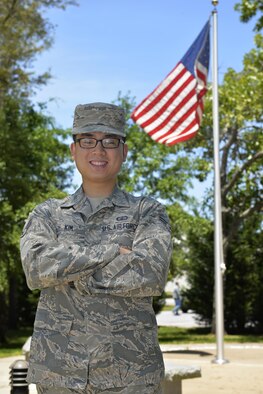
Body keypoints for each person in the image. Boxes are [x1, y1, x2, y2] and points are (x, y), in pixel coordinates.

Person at [20, 102, 172, 394]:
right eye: (87, 140)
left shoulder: (148, 212)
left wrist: (66, 272)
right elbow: (36, 269)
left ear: (124, 152)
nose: (99, 150)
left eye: (110, 141)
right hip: (59, 374)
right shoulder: (47, 214)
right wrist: (113, 253)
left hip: (130, 375)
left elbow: (150, 274)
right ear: (73, 150)